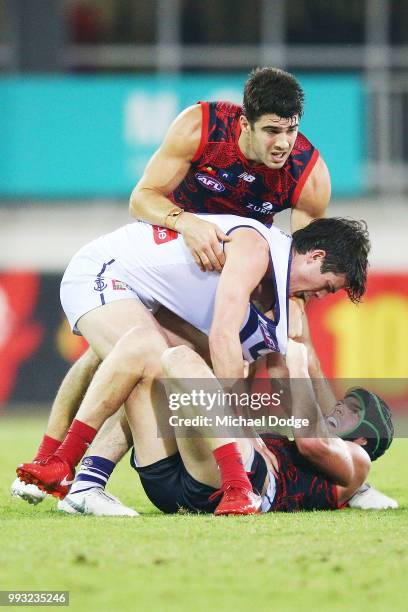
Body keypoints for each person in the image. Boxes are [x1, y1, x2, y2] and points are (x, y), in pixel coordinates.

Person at [16, 215, 369, 514]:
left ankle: (69, 470)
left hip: (172, 481)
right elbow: (223, 337)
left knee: (151, 353)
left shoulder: (279, 308)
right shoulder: (257, 251)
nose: (322, 296)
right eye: (328, 286)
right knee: (153, 350)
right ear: (315, 257)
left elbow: (300, 423)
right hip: (105, 272)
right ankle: (64, 466)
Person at [62, 340, 394, 516]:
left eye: (351, 411)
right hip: (182, 484)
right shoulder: (325, 445)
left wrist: (297, 361)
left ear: (364, 437)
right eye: (344, 402)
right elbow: (274, 390)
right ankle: (86, 485)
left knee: (180, 359)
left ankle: (63, 462)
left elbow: (310, 443)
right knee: (147, 367)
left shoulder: (357, 462)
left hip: (244, 485)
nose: (338, 408)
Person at [129, 67, 331, 273]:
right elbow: (141, 198)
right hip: (176, 238)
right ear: (245, 124)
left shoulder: (308, 175)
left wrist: (296, 301)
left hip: (240, 260)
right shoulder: (200, 128)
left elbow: (308, 262)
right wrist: (187, 223)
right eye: (272, 131)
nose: (283, 143)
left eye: (291, 130)